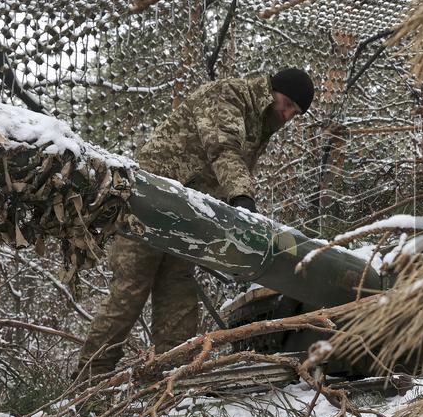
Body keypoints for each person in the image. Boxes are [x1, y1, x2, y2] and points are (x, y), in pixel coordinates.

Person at [75, 68, 315, 376]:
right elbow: (223, 148)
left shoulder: (261, 121)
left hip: (187, 214)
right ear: (272, 90)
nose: (288, 115)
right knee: (130, 291)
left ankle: (172, 382)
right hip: (151, 202)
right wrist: (242, 198)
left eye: (295, 113)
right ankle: (88, 381)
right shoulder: (229, 94)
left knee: (178, 295)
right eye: (288, 104)